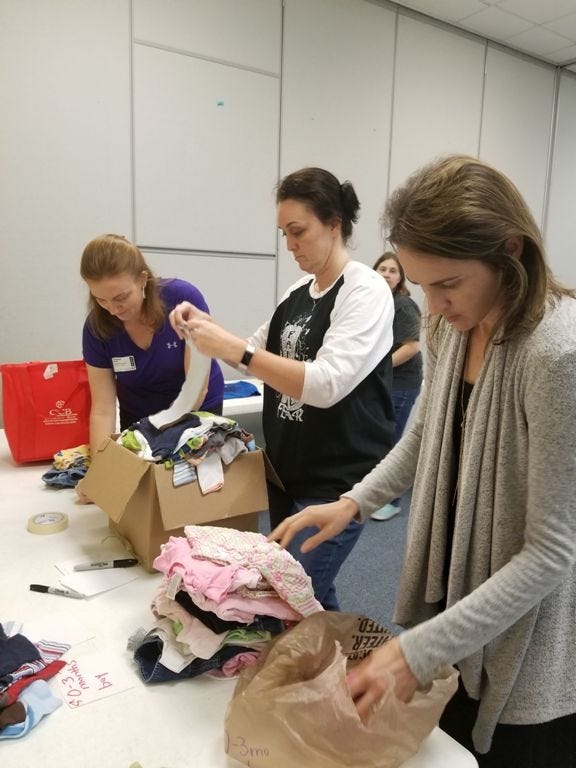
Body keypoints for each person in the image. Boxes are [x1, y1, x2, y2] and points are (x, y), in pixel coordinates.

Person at [269, 155, 576, 767]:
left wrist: (414, 652)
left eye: (447, 284)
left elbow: (550, 552)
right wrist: (353, 502)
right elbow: (423, 439)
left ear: (510, 251)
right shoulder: (452, 326)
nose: (432, 306)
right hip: (461, 610)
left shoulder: (557, 355)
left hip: (528, 635)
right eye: (421, 285)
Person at [170, 167, 396, 611]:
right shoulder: (298, 292)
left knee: (288, 599)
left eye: (298, 231)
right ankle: (331, 649)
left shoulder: (365, 291)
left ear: (334, 224)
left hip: (334, 483)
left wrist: (235, 348)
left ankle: (328, 652)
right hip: (287, 474)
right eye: (284, 234)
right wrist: (207, 328)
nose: (290, 245)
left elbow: (327, 384)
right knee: (307, 593)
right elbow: (251, 351)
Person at [78, 234, 224, 500]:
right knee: (142, 497)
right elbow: (103, 409)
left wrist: (160, 440)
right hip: (139, 418)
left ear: (142, 279)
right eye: (101, 300)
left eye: (121, 297)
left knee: (189, 494)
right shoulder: (96, 328)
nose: (112, 309)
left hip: (196, 408)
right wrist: (100, 473)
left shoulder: (183, 300)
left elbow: (196, 388)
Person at [370, 251, 423, 521]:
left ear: (401, 277)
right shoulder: (377, 303)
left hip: (402, 384)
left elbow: (411, 347)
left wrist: (378, 368)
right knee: (377, 439)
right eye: (383, 269)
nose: (387, 274)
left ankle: (391, 501)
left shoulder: (403, 305)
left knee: (390, 442)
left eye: (393, 271)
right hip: (384, 382)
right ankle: (375, 495)